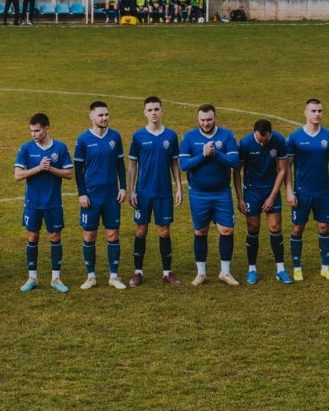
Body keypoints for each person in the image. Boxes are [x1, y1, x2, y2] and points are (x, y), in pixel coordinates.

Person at [179, 104, 239, 286]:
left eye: (209, 119)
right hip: (198, 194)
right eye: (203, 120)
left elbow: (235, 162)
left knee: (227, 230)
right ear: (198, 120)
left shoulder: (227, 135)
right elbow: (184, 164)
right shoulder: (189, 137)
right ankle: (201, 273)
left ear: (215, 118)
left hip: (222, 192)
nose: (206, 123)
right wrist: (204, 155)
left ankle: (225, 273)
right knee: (200, 231)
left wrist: (216, 154)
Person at [127, 96, 183, 287]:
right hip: (143, 193)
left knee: (164, 231)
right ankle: (138, 272)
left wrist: (179, 188)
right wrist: (131, 190)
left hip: (164, 192)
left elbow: (174, 163)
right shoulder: (138, 136)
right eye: (150, 110)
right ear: (145, 112)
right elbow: (132, 164)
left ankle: (167, 272)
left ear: (162, 110)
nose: (153, 113)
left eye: (156, 109)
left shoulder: (171, 136)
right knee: (141, 230)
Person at [15, 113, 74, 293]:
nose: (34, 134)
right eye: (32, 131)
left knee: (54, 237)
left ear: (47, 129)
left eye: (37, 131)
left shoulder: (60, 148)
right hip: (32, 203)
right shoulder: (25, 148)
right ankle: (32, 277)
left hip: (53, 203)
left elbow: (69, 174)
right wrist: (39, 168)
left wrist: (51, 169)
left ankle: (56, 278)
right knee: (32, 237)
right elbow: (18, 175)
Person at [285, 99, 329, 282]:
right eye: (313, 111)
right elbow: (287, 167)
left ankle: (325, 268)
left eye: (320, 111)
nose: (317, 114)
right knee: (297, 228)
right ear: (305, 113)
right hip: (302, 191)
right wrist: (289, 190)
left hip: (323, 191)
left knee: (324, 227)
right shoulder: (294, 137)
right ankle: (297, 268)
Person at [74, 101, 127, 289]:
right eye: (100, 115)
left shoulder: (115, 137)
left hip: (111, 195)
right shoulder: (83, 140)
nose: (104, 118)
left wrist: (123, 187)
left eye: (106, 115)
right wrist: (82, 193)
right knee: (89, 236)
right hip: (91, 196)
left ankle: (114, 276)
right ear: (91, 116)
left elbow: (120, 164)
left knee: (112, 234)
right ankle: (91, 276)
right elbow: (78, 170)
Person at [233, 119, 291, 284]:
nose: (263, 142)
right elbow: (237, 172)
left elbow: (282, 170)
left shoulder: (279, 141)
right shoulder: (245, 144)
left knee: (275, 227)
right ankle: (252, 269)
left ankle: (280, 270)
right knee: (253, 227)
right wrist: (240, 198)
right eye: (260, 139)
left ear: (270, 133)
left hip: (270, 188)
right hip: (252, 191)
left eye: (266, 139)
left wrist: (273, 196)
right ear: (255, 133)